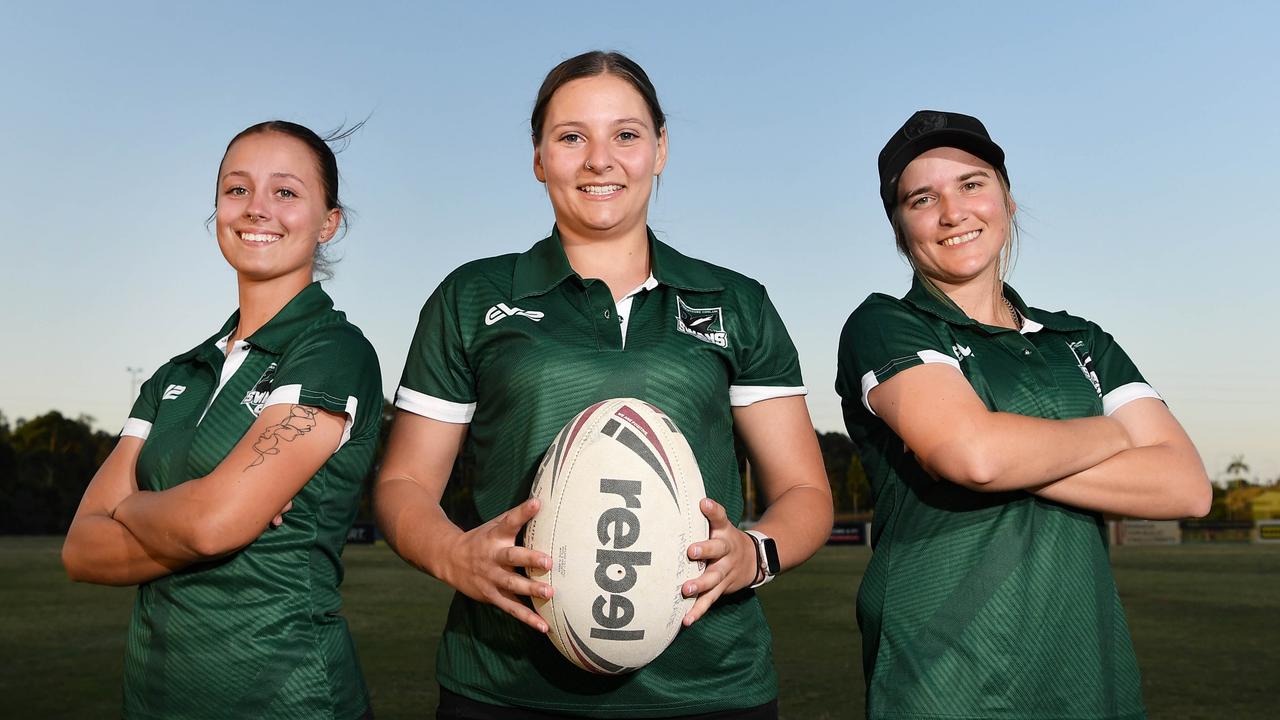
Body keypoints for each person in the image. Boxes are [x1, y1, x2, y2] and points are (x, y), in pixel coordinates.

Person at [375, 50, 832, 719]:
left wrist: (752, 554)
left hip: (709, 689)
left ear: (660, 149)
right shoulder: (473, 296)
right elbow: (403, 485)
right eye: (571, 137)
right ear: (538, 158)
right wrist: (453, 554)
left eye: (625, 134)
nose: (600, 160)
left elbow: (804, 491)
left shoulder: (735, 303)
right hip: (503, 684)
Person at [835, 110, 1211, 719]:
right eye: (922, 198)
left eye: (973, 183)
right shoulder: (885, 324)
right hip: (942, 677)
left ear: (1008, 201)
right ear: (900, 227)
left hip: (1088, 673)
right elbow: (976, 458)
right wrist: (1116, 436)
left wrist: (993, 449)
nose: (953, 212)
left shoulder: (1081, 341)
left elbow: (1187, 487)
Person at [62, 121, 381, 720]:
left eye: (285, 192)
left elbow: (210, 526)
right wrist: (202, 511)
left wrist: (133, 509)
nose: (257, 208)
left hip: (291, 698)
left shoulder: (334, 352)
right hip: (154, 698)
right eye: (237, 190)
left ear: (328, 222)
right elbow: (81, 550)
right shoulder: (174, 374)